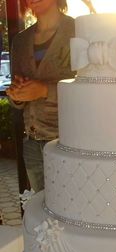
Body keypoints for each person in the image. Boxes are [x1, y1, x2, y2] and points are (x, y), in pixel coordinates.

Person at [6, 0, 75, 192]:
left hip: (69, 140)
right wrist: (17, 95)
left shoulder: (77, 32)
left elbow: (91, 89)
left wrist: (45, 90)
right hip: (32, 142)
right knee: (41, 209)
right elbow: (17, 98)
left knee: (70, 209)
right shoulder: (20, 41)